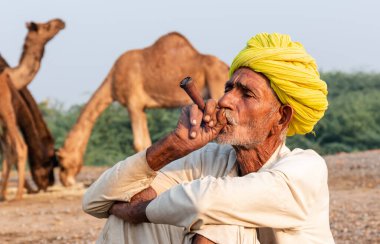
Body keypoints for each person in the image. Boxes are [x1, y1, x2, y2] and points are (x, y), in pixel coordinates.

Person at [83, 33, 335, 244]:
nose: (225, 100)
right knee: (123, 221)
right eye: (228, 88)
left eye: (246, 94)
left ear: (281, 117)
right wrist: (173, 146)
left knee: (219, 222)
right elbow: (95, 201)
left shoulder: (306, 169)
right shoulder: (210, 160)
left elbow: (203, 201)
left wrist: (137, 210)